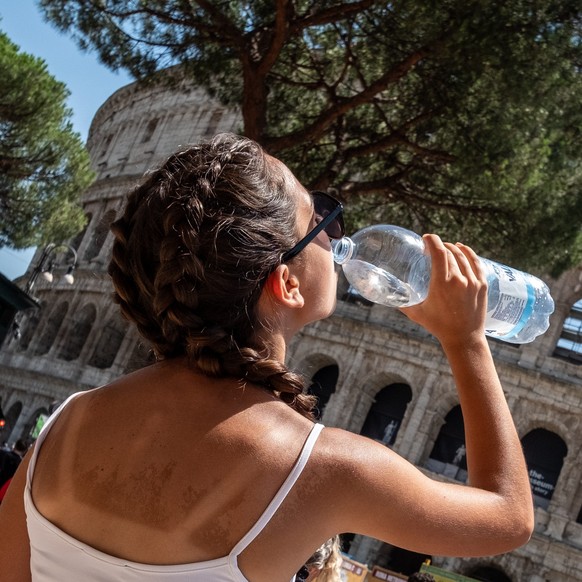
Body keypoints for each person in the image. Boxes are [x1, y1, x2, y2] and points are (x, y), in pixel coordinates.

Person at [0, 133, 534, 582]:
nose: (336, 234)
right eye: (320, 220)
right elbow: (508, 516)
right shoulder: (324, 468)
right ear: (287, 283)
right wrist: (466, 341)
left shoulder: (64, 425)